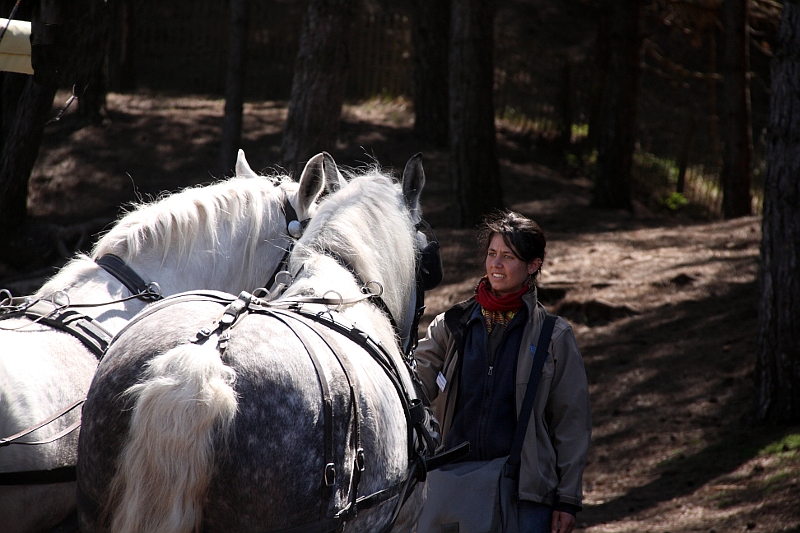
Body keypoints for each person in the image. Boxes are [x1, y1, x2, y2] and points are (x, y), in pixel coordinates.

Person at [414, 210, 591, 533]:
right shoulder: (451, 325)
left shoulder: (554, 336)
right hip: (451, 486)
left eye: (508, 257)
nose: (496, 264)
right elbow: (413, 388)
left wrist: (567, 499)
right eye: (492, 254)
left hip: (524, 498)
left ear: (533, 265)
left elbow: (571, 422)